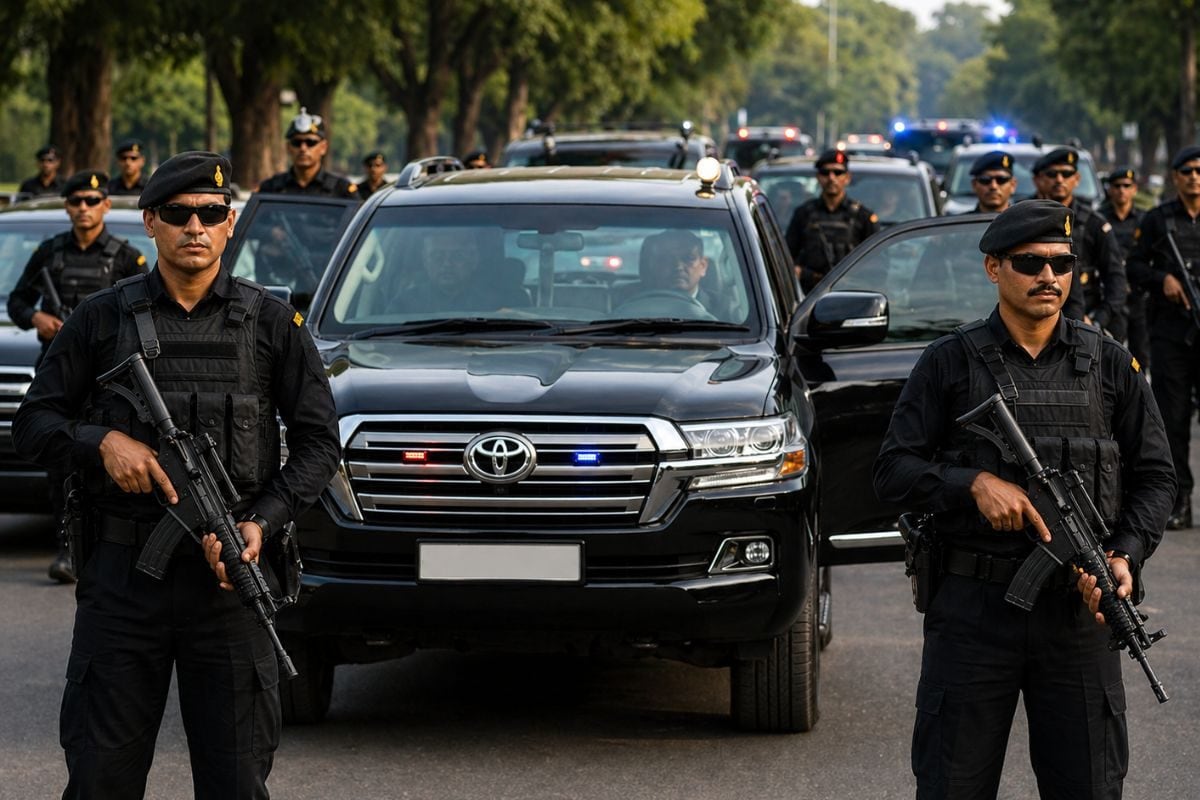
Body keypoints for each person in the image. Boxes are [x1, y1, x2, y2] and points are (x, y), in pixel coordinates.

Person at [11, 151, 341, 799]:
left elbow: (318, 443)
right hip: (122, 582)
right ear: (150, 222)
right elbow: (34, 424)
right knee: (101, 778)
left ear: (230, 223)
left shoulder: (273, 323)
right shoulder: (100, 319)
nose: (196, 227)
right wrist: (102, 442)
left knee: (235, 782)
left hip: (229, 584)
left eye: (211, 214)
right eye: (178, 213)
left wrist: (261, 522)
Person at [874, 199, 1175, 799]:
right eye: (1030, 262)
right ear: (994, 268)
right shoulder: (949, 362)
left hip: (1078, 615)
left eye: (1062, 264)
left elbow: (1156, 477)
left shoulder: (1109, 363)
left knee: (1090, 785)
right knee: (952, 784)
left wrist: (1124, 555)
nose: (1049, 277)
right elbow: (892, 470)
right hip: (972, 611)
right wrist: (971, 484)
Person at [7, 170, 148, 583]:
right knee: (62, 462)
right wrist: (37, 318)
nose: (83, 208)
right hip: (62, 371)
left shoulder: (126, 257)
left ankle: (113, 545)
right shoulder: (49, 253)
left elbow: (144, 311)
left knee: (115, 455)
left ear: (106, 205)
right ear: (67, 207)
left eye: (91, 200)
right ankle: (67, 547)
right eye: (76, 201)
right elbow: (18, 301)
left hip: (110, 376)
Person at [1125, 145, 1200, 530]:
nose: (1194, 178)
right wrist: (1163, 279)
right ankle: (1180, 501)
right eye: (1187, 171)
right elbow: (1134, 266)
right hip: (1171, 334)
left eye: (1199, 171)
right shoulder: (1158, 220)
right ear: (1175, 177)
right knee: (1173, 418)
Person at [1032, 147, 1128, 340]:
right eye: (1052, 174)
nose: (1059, 180)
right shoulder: (1025, 220)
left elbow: (1115, 278)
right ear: (1039, 179)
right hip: (1035, 311)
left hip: (1086, 312)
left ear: (1076, 179)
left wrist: (1099, 319)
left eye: (1066, 174)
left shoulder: (1094, 223)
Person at [785, 149, 879, 292]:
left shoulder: (863, 217)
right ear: (818, 177)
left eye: (838, 172)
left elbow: (878, 264)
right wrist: (803, 274)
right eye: (825, 173)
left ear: (847, 177)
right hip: (810, 295)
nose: (831, 178)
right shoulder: (803, 214)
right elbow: (787, 258)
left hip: (851, 294)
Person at [396, 228, 527, 312]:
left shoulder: (505, 302)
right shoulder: (404, 305)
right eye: (437, 256)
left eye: (457, 256)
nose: (447, 264)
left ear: (474, 260)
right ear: (425, 261)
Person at [1099, 166, 1150, 373]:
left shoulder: (1144, 219)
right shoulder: (1100, 218)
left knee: (1141, 355)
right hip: (1110, 295)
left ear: (1134, 189)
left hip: (1138, 295)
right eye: (1117, 186)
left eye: (1127, 186)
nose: (1122, 190)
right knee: (1112, 354)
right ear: (1110, 189)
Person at [257, 107, 359, 198]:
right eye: (297, 143)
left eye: (310, 142)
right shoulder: (270, 188)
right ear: (288, 148)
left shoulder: (341, 190)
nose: (303, 148)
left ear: (323, 147)